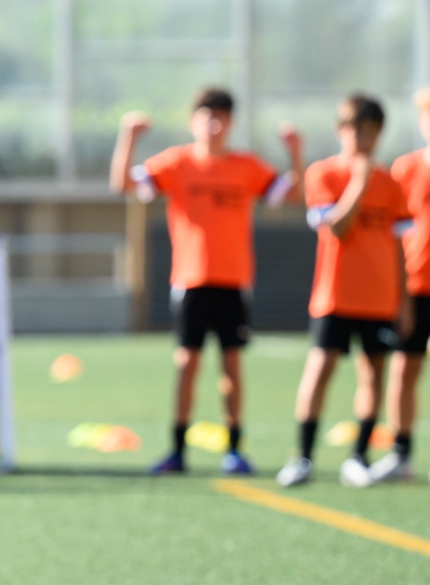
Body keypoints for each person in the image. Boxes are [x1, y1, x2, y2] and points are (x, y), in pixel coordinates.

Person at [109, 87, 303, 476]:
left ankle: (234, 449)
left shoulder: (246, 166)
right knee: (187, 363)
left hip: (233, 281)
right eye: (206, 116)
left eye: (221, 117)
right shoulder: (178, 162)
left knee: (231, 365)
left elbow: (292, 195)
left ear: (231, 123)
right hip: (191, 280)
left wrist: (295, 152)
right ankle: (177, 450)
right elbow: (124, 185)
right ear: (193, 121)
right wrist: (128, 138)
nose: (214, 124)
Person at [277, 94, 413, 487]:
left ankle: (358, 457)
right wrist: (359, 182)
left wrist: (403, 301)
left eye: (370, 132)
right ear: (341, 131)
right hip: (334, 295)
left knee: (373, 375)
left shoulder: (391, 184)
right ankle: (303, 457)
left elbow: (398, 244)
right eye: (355, 131)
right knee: (320, 370)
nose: (362, 140)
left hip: (379, 298)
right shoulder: (323, 174)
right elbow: (337, 227)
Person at [375, 87, 430, 481]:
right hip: (414, 286)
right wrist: (397, 294)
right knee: (404, 369)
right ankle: (401, 454)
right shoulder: (405, 169)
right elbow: (392, 233)